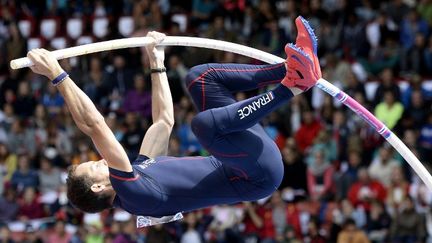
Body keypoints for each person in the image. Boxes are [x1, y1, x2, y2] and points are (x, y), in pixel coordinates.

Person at [27, 17, 321, 221]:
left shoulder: (140, 170)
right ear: (98, 187)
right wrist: (57, 74)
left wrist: (157, 62)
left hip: (243, 159)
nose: (100, 159)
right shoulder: (134, 195)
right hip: (256, 174)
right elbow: (94, 126)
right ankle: (293, 86)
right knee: (204, 127)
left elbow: (163, 121)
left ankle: (292, 68)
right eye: (94, 166)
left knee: (200, 79)